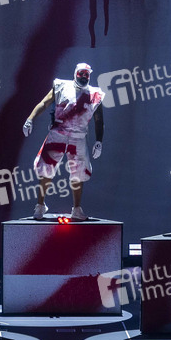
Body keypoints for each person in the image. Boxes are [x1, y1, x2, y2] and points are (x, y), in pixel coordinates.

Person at [22, 62, 104, 221]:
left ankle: (77, 209)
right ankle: (40, 205)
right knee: (46, 168)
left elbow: (99, 120)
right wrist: (30, 119)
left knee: (79, 172)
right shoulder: (61, 86)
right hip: (58, 133)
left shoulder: (95, 94)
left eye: (86, 74)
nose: (84, 77)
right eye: (81, 73)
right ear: (75, 73)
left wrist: (99, 141)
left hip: (78, 136)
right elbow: (44, 103)